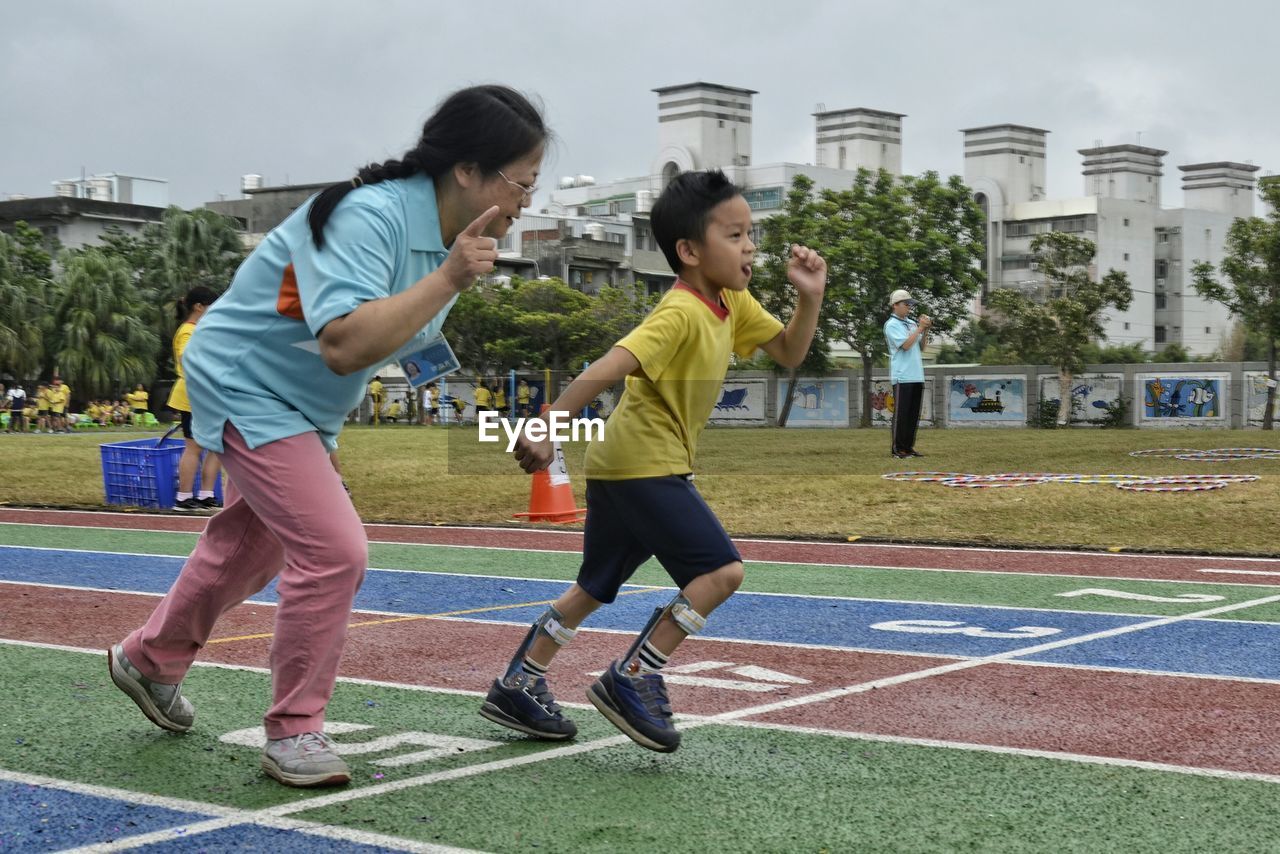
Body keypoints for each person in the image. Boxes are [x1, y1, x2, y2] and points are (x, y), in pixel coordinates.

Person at [107, 84, 548, 788]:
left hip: (304, 400)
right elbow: (345, 344)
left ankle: (150, 658)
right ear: (468, 170)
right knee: (334, 549)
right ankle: (295, 731)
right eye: (522, 182)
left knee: (262, 538)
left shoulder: (452, 243)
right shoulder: (370, 219)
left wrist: (496, 429)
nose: (528, 200)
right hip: (246, 378)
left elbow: (414, 342)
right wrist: (448, 278)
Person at [480, 169, 826, 753]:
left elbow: (790, 351)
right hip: (644, 463)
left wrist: (809, 297)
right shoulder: (680, 312)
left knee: (594, 586)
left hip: (620, 464)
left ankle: (519, 681)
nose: (751, 248)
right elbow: (611, 364)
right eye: (736, 236)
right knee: (719, 573)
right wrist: (546, 424)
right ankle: (634, 676)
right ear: (690, 252)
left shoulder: (731, 302)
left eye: (751, 235)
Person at [168, 288, 224, 511]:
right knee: (194, 447)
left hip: (209, 396)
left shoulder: (203, 330)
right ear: (198, 307)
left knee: (218, 447)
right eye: (213, 305)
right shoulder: (188, 331)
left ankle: (206, 495)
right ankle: (183, 497)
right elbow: (187, 359)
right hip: (193, 396)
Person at [884, 288, 931, 459]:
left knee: (912, 415)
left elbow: (921, 347)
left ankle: (908, 447)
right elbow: (905, 345)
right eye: (906, 304)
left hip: (916, 374)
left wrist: (925, 330)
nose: (909, 307)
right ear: (895, 305)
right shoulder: (892, 325)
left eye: (910, 304)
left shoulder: (911, 323)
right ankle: (898, 449)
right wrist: (919, 328)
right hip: (902, 375)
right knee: (901, 415)